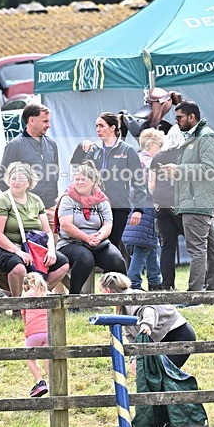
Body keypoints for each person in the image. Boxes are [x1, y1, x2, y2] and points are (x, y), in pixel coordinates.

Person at [161, 100, 214, 292]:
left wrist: (178, 169)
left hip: (197, 202)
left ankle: (194, 294)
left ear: (192, 117)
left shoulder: (205, 136)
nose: (176, 121)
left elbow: (211, 170)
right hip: (196, 200)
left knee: (197, 250)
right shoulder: (195, 136)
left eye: (179, 117)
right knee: (211, 249)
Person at [0, 163, 69, 297]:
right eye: (13, 178)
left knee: (62, 263)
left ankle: (37, 295)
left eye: (21, 179)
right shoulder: (1, 201)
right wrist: (18, 251)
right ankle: (17, 303)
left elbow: (47, 231)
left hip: (33, 246)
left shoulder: (35, 200)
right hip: (3, 247)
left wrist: (51, 251)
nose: (16, 182)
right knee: (18, 267)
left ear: (29, 182)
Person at [70, 111, 146, 248]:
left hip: (118, 206)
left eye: (101, 125)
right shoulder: (94, 149)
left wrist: (138, 209)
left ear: (112, 128)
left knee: (112, 245)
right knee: (94, 244)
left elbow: (139, 181)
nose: (97, 129)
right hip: (95, 205)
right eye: (96, 126)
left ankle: (118, 262)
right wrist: (81, 147)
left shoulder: (127, 150)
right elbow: (76, 165)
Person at [99, 272, 196, 367]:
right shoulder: (122, 307)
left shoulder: (132, 296)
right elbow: (131, 335)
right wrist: (134, 357)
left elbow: (148, 309)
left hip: (178, 334)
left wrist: (146, 325)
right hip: (163, 338)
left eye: (100, 290)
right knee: (155, 373)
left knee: (164, 373)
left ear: (108, 291)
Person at [56, 164, 126, 294]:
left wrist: (99, 236)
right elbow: (66, 225)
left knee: (117, 260)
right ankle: (74, 297)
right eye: (77, 179)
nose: (79, 182)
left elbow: (108, 224)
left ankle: (119, 297)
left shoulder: (102, 200)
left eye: (83, 179)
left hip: (98, 242)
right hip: (71, 242)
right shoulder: (67, 198)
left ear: (93, 182)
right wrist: (87, 238)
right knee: (85, 258)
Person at [0, 103, 60, 227]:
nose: (49, 125)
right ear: (32, 120)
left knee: (54, 240)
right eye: (45, 121)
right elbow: (2, 179)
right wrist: (20, 203)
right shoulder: (14, 145)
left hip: (50, 209)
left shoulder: (52, 144)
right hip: (26, 212)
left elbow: (55, 173)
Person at [122, 129, 164, 291]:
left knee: (148, 243)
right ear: (151, 145)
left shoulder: (134, 160)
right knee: (143, 245)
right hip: (146, 204)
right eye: (160, 145)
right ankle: (134, 282)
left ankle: (155, 281)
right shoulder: (151, 163)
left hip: (131, 204)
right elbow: (152, 187)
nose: (161, 149)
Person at [149, 128, 184, 290]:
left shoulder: (157, 156)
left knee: (167, 245)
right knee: (194, 244)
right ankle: (201, 281)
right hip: (178, 201)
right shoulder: (183, 155)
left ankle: (167, 284)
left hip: (160, 203)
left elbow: (151, 184)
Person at [21, 272, 50, 397]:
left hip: (33, 331)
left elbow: (24, 315)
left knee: (30, 357)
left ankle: (40, 381)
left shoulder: (26, 296)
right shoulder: (47, 294)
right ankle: (53, 382)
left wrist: (26, 329)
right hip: (48, 331)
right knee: (48, 358)